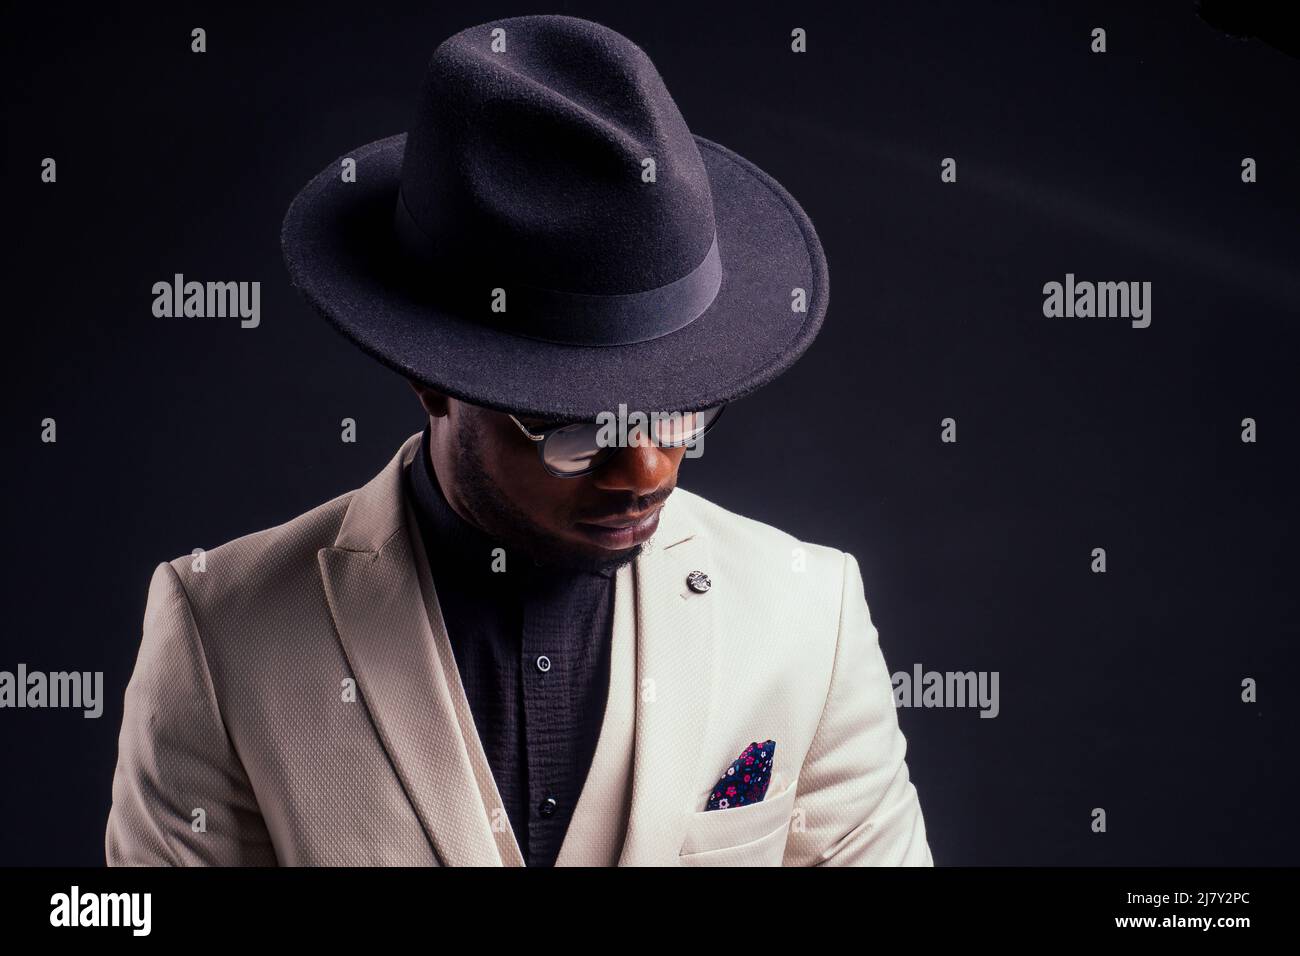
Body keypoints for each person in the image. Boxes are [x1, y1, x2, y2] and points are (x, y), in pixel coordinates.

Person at [106, 13, 933, 866]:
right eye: (576, 427)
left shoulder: (809, 614)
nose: (648, 469)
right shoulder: (219, 631)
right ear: (433, 382)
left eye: (686, 412)